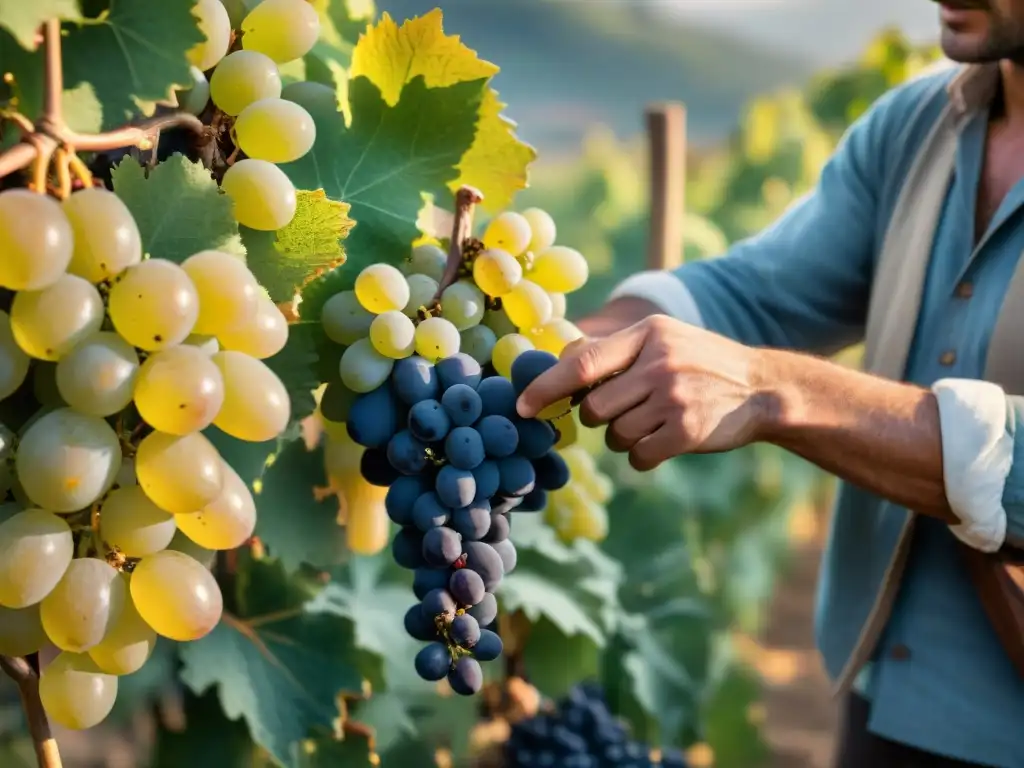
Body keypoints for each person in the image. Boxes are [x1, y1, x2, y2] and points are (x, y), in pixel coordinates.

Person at [516, 2, 1024, 766]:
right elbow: (758, 293)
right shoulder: (917, 124)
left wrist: (771, 390)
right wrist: (553, 349)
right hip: (880, 700)